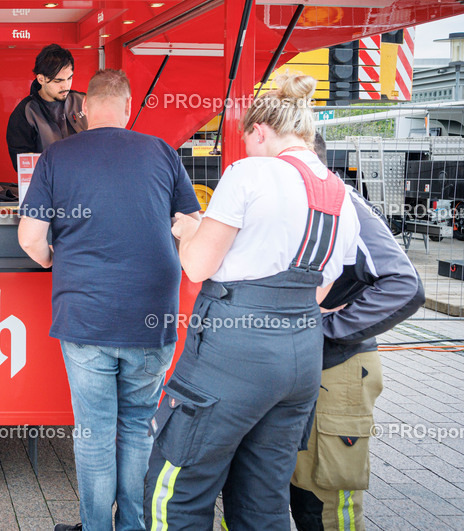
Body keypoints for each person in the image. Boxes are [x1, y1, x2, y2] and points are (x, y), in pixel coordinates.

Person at [146, 73, 361, 530]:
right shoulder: (340, 193)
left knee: (177, 486)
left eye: (248, 142)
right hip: (302, 357)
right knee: (263, 496)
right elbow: (323, 289)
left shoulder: (249, 173)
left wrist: (187, 231)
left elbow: (198, 266)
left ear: (259, 132)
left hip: (231, 353)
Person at [18, 69, 202, 531]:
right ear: (127, 106)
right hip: (152, 312)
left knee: (95, 434)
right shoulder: (160, 151)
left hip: (86, 313)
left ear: (83, 109)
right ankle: (132, 526)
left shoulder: (57, 157)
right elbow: (192, 226)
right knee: (137, 428)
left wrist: (50, 260)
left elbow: (30, 238)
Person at [289, 134, 425, 530]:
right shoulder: (285, 203)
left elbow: (404, 285)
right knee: (280, 490)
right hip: (292, 368)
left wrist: (324, 327)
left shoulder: (342, 202)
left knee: (327, 501)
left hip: (336, 369)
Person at [5, 43, 87, 171]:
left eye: (69, 78)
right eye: (58, 81)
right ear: (41, 79)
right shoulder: (25, 113)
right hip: (49, 187)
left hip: (88, 184)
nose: (65, 86)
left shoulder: (84, 102)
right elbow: (23, 166)